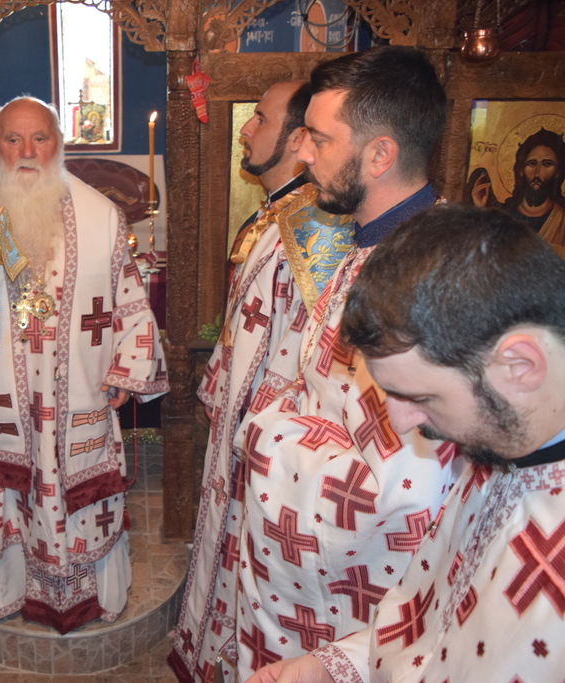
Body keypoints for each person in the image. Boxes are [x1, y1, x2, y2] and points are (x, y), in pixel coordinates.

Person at [247, 204, 565, 683]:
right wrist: (330, 667)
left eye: (420, 397)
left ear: (520, 366)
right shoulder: (503, 444)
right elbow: (431, 628)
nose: (401, 422)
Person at [225, 47, 461, 681]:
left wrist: (269, 440)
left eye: (321, 139)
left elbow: (414, 488)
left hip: (359, 598)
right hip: (315, 575)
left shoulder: (428, 279)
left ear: (380, 155)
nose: (303, 154)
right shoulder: (368, 246)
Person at [0, 97, 169, 634]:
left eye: (40, 138)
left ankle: (94, 594)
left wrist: (126, 370)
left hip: (80, 391)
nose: (27, 152)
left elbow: (130, 300)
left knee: (81, 487)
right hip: (5, 393)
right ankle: (13, 592)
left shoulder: (101, 216)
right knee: (12, 489)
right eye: (13, 139)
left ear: (59, 144)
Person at [169, 80, 354, 683]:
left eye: (260, 118)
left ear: (298, 139)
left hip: (270, 438)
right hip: (241, 422)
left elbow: (315, 355)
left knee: (247, 558)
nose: (245, 129)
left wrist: (258, 426)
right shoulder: (277, 215)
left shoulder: (320, 227)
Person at [472, 128, 565, 256]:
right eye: (532, 163)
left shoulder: (562, 219)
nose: (537, 172)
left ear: (558, 172)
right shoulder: (504, 215)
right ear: (521, 170)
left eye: (547, 164)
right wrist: (481, 210)